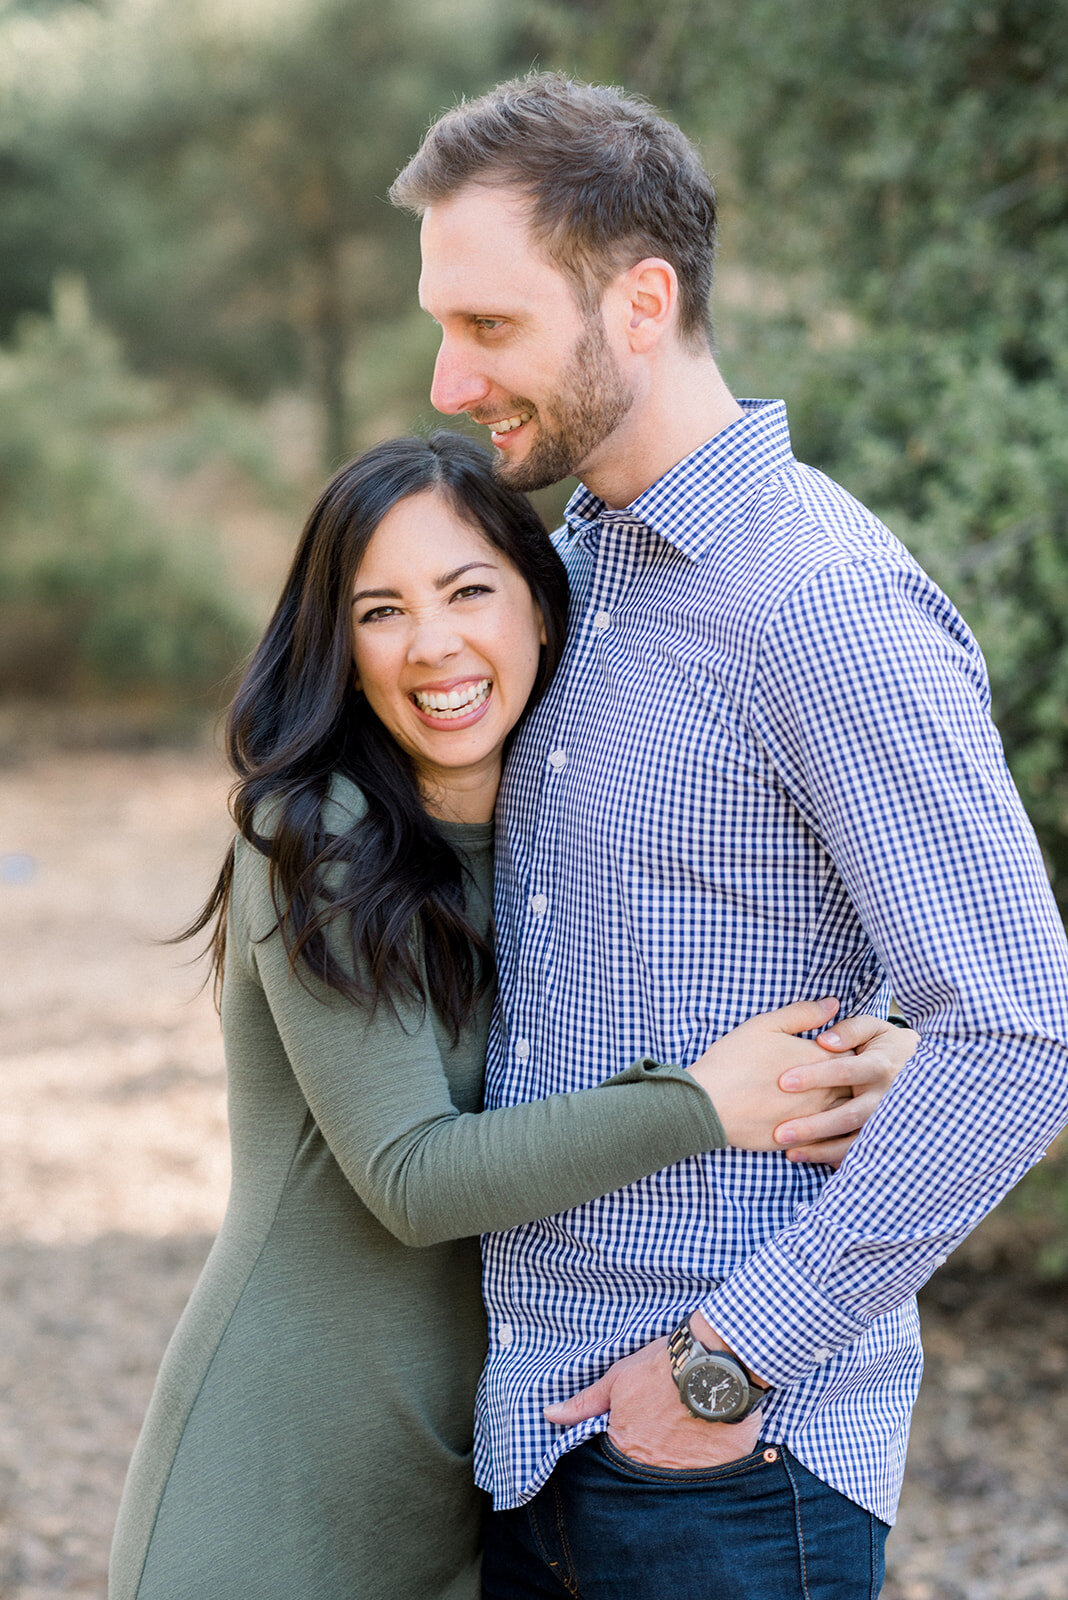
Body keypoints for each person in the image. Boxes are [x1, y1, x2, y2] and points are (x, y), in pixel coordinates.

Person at [389, 72, 1068, 1598]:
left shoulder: (819, 605)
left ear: (639, 303)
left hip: (721, 1469)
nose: (447, 380)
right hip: (530, 1438)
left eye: (487, 327)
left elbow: (1020, 1025)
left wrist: (721, 1368)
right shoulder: (560, 577)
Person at [107, 433, 911, 1600]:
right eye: (381, 610)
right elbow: (414, 1177)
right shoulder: (314, 831)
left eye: (469, 590)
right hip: (283, 1477)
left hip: (480, 1483)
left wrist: (886, 1043)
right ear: (339, 646)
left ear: (543, 603)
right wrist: (698, 1106)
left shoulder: (558, 822)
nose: (434, 644)